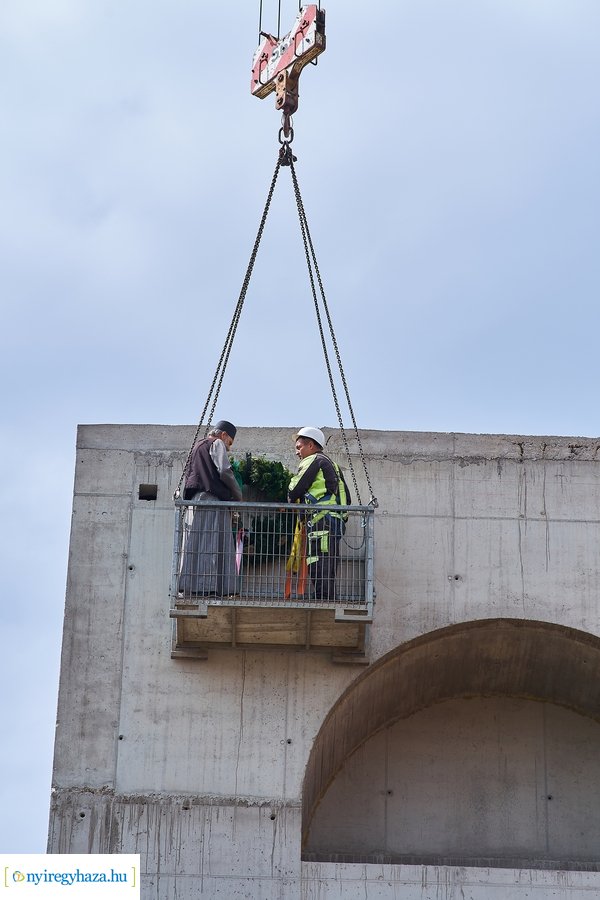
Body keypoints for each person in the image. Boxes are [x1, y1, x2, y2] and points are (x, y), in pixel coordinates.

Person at [178, 420, 243, 597]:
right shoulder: (216, 443)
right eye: (229, 442)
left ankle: (191, 586)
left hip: (195, 500)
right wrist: (238, 496)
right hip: (211, 500)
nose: (228, 448)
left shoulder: (198, 446)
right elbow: (224, 470)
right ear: (223, 435)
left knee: (195, 544)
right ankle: (211, 588)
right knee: (213, 543)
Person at [287, 426, 349, 600]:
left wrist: (291, 497)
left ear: (311, 446)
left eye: (299, 447)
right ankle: (327, 597)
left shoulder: (313, 460)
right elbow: (347, 497)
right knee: (328, 562)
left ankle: (323, 599)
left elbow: (294, 490)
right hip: (334, 520)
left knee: (317, 561)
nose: (297, 452)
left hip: (321, 520)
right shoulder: (332, 465)